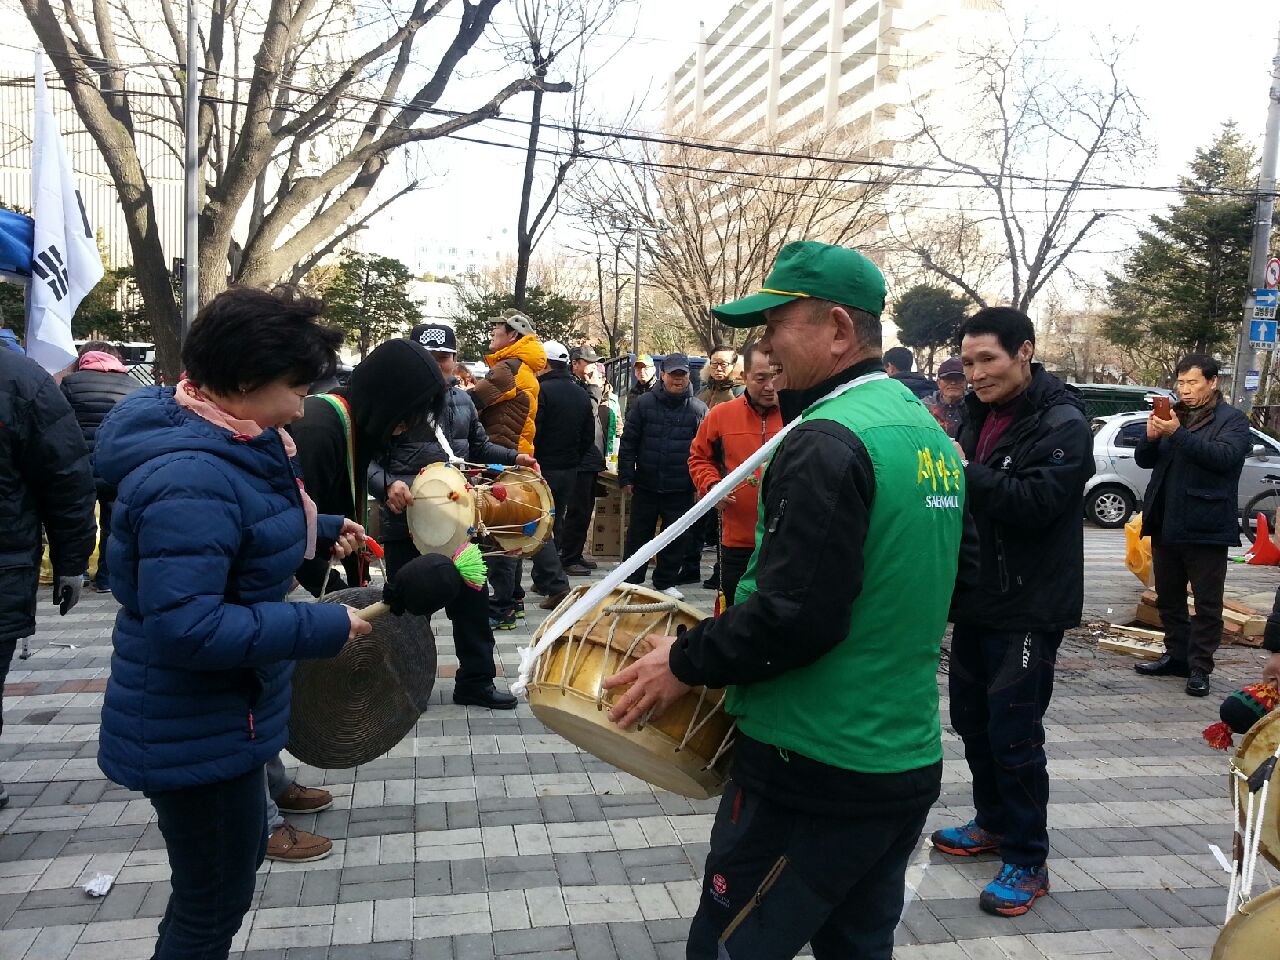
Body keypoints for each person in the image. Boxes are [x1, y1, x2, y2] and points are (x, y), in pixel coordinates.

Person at [602, 241, 966, 960]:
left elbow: (796, 616)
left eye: (777, 324)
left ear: (837, 329)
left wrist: (685, 658)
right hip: (898, 758)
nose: (761, 347)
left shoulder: (829, 439)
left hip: (812, 768)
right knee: (856, 948)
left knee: (731, 947)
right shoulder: (923, 431)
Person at [92, 286, 372, 958]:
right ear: (245, 381)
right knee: (209, 908)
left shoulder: (228, 436)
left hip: (227, 716)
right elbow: (187, 628)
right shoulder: (190, 474)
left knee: (228, 874)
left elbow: (234, 532)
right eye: (296, 387)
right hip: (193, 725)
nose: (304, 405)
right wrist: (324, 629)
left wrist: (322, 527)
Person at [932, 307, 1093, 918]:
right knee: (973, 720)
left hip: (1028, 604)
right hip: (977, 595)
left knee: (1015, 732)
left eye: (987, 360)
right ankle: (993, 822)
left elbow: (1036, 503)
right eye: (968, 362)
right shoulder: (980, 413)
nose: (975, 374)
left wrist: (963, 470)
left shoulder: (1063, 422)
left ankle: (1027, 857)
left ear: (1024, 351)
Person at [281, 329, 448, 861]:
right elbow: (280, 522)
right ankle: (256, 818)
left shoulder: (342, 426)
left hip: (286, 581)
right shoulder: (320, 426)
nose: (403, 428)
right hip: (264, 590)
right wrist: (314, 548)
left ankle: (270, 785)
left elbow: (307, 518)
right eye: (406, 414)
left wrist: (330, 533)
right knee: (255, 701)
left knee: (261, 698)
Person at [368, 321, 532, 710]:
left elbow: (478, 446)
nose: (438, 365)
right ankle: (410, 682)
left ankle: (475, 682)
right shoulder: (389, 401)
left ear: (455, 360)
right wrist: (387, 484)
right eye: (429, 358)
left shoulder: (462, 401)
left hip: (460, 524)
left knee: (472, 605)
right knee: (409, 609)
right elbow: (366, 462)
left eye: (444, 358)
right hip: (405, 524)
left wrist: (514, 457)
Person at [0, 348, 95, 811]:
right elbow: (65, 476)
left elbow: (65, 475)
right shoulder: (21, 377)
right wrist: (71, 562)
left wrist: (71, 560)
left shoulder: (19, 379)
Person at [1133, 354, 1250, 697]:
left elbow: (1224, 458)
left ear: (1213, 382)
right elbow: (1144, 460)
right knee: (1168, 597)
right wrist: (1152, 436)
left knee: (1207, 602)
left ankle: (1200, 667)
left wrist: (1178, 434)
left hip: (1206, 523)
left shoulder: (1233, 420)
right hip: (1166, 519)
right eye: (1181, 383)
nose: (1185, 390)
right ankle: (1176, 655)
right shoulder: (1173, 416)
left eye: (1193, 382)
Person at [467, 310, 546, 629]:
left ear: (512, 335)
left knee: (495, 533)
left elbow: (473, 401)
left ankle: (501, 607)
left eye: (496, 330)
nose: (491, 335)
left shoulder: (508, 368)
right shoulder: (524, 367)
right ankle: (512, 601)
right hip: (517, 456)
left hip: (500, 460)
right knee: (511, 531)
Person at [688, 342, 782, 606]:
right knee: (734, 608)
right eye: (761, 378)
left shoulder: (799, 414)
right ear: (744, 376)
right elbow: (698, 456)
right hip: (738, 538)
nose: (770, 386)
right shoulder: (722, 414)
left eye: (776, 375)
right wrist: (712, 487)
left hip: (785, 539)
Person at [618, 353, 708, 599]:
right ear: (662, 375)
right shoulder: (644, 403)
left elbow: (706, 450)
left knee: (675, 537)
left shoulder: (698, 409)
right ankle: (631, 580)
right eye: (673, 375)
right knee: (638, 535)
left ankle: (665, 581)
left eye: (682, 375)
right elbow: (629, 443)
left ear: (689, 376)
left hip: (680, 486)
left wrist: (701, 485)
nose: (677, 380)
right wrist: (626, 477)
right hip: (646, 484)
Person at [61, 342, 142, 592]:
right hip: (116, 464)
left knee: (79, 518)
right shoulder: (132, 386)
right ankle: (107, 578)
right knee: (112, 523)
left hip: (79, 464)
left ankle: (79, 571)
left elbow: (60, 422)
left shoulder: (72, 383)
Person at [527, 339, 592, 607]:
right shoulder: (580, 392)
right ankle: (543, 578)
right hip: (570, 469)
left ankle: (556, 585)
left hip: (544, 468)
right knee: (555, 521)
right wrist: (573, 459)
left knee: (538, 525)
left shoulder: (542, 391)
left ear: (544, 363)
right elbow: (589, 434)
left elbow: (534, 433)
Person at [561, 344, 607, 576]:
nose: (593, 367)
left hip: (590, 458)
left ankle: (576, 553)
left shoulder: (587, 386)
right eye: (588, 362)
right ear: (575, 364)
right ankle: (568, 557)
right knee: (577, 511)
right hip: (579, 460)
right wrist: (593, 388)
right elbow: (588, 411)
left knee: (585, 509)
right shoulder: (577, 387)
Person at [925, 356, 967, 438]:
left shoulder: (976, 406)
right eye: (947, 378)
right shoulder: (925, 407)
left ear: (966, 382)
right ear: (938, 383)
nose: (953, 382)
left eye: (958, 378)